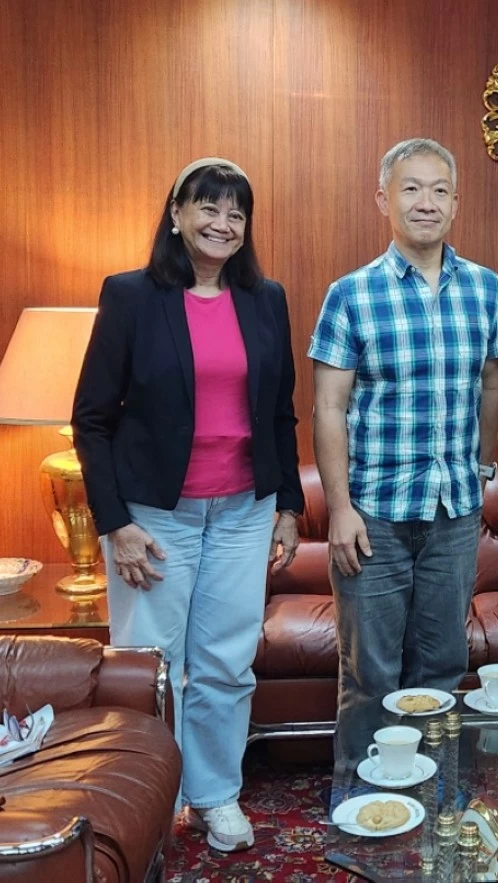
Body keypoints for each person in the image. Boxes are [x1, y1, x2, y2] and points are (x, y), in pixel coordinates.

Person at [72, 158, 303, 852]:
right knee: (151, 663)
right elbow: (91, 418)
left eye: (236, 213)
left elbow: (281, 415)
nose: (222, 223)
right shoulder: (132, 296)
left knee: (228, 662)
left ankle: (214, 795)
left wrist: (289, 507)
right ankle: (150, 797)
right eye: (207, 208)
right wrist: (117, 523)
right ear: (175, 213)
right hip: (156, 517)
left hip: (241, 511)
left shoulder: (266, 299)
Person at [309, 138, 498, 767]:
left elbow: (492, 383)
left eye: (439, 190)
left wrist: (480, 471)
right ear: (384, 199)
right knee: (371, 675)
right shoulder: (351, 293)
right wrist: (339, 508)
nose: (426, 203)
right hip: (372, 517)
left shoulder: (484, 287)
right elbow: (328, 407)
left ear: (455, 203)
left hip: (453, 513)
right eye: (410, 189)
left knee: (443, 667)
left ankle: (434, 801)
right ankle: (364, 803)